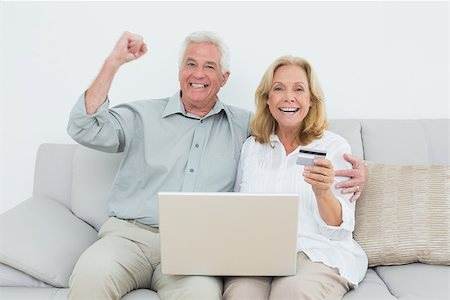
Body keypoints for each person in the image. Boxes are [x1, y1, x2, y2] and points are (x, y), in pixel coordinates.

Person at [67, 31, 367, 299]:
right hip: (129, 236)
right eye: (191, 64)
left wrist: (364, 171)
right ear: (180, 72)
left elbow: (298, 132)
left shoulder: (245, 129)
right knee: (91, 279)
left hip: (194, 248)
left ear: (224, 78)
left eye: (210, 66)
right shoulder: (143, 115)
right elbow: (84, 127)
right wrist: (114, 62)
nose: (199, 74)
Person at [223, 56, 368, 300]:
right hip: (259, 254)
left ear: (311, 100)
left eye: (298, 89)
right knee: (240, 295)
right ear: (267, 99)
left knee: (291, 293)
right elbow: (240, 212)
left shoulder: (333, 146)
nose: (288, 97)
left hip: (317, 252)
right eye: (278, 88)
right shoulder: (252, 148)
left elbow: (338, 231)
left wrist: (322, 193)